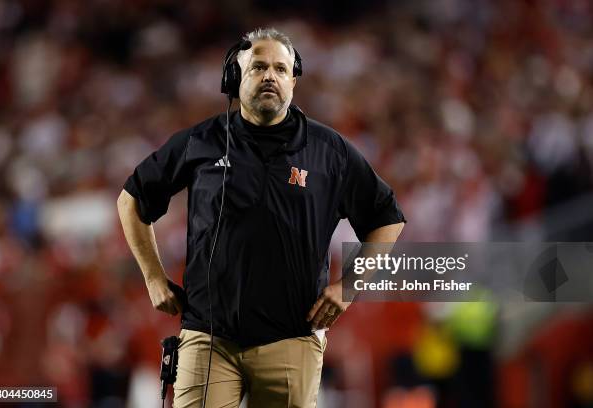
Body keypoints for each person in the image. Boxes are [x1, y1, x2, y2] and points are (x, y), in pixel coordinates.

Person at [117, 27, 406, 408]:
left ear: (293, 81)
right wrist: (153, 277)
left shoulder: (328, 151)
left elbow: (386, 217)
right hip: (209, 337)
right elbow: (131, 199)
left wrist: (348, 287)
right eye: (258, 67)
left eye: (281, 69)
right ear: (234, 78)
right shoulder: (201, 141)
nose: (270, 75)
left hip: (292, 337)